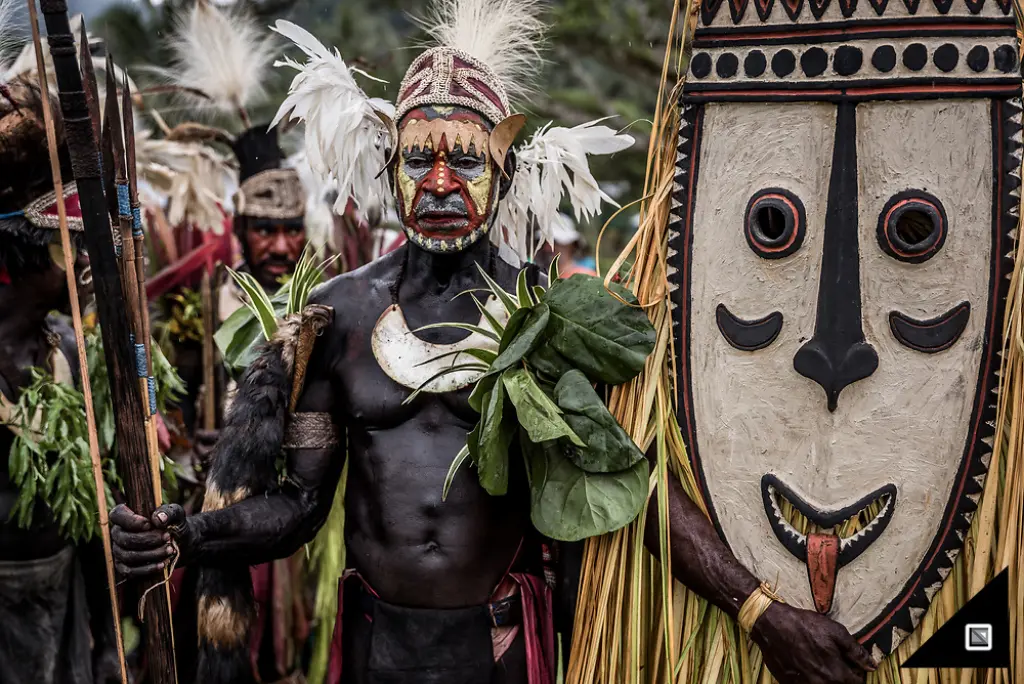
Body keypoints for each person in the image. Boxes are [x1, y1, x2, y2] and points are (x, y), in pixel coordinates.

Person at [109, 2, 875, 683]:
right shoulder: (337, 317)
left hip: (501, 648)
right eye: (419, 159)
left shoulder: (547, 317)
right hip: (377, 644)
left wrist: (762, 613)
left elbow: (628, 485)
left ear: (504, 176)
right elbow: (303, 505)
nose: (441, 183)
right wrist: (193, 532)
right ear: (390, 169)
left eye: (466, 161)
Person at [0, 77, 121, 684]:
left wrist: (107, 636)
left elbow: (91, 520)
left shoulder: (68, 351)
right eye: (70, 241)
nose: (86, 261)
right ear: (27, 247)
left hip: (65, 604)